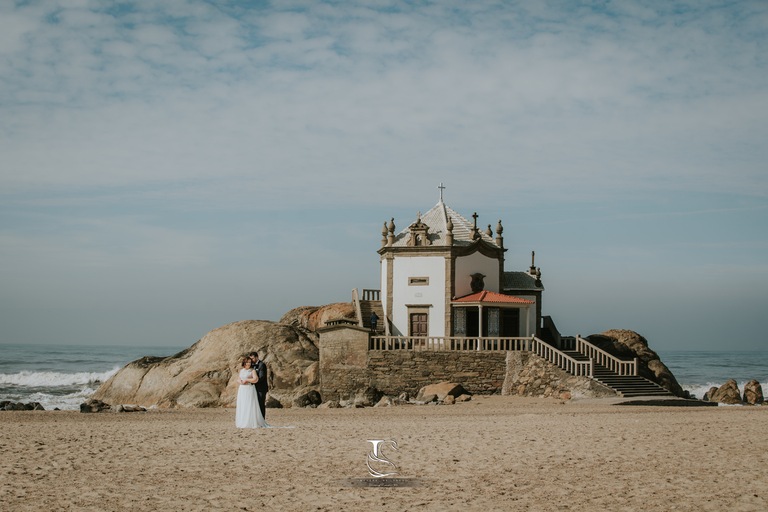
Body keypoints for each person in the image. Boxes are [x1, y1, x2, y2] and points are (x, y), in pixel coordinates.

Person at [235, 356, 267, 429]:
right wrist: (241, 382)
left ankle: (250, 422)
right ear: (244, 363)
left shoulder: (252, 370)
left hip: (249, 389)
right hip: (242, 389)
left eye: (250, 362)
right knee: (242, 405)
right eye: (247, 362)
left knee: (249, 405)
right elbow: (238, 379)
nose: (248, 363)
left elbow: (255, 379)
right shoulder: (241, 370)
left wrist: (247, 380)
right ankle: (242, 421)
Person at [249, 351, 268, 420]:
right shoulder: (251, 365)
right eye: (251, 359)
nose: (252, 360)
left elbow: (261, 377)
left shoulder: (262, 365)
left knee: (261, 404)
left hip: (261, 388)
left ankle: (262, 419)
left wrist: (252, 381)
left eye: (253, 358)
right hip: (253, 388)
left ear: (257, 357)